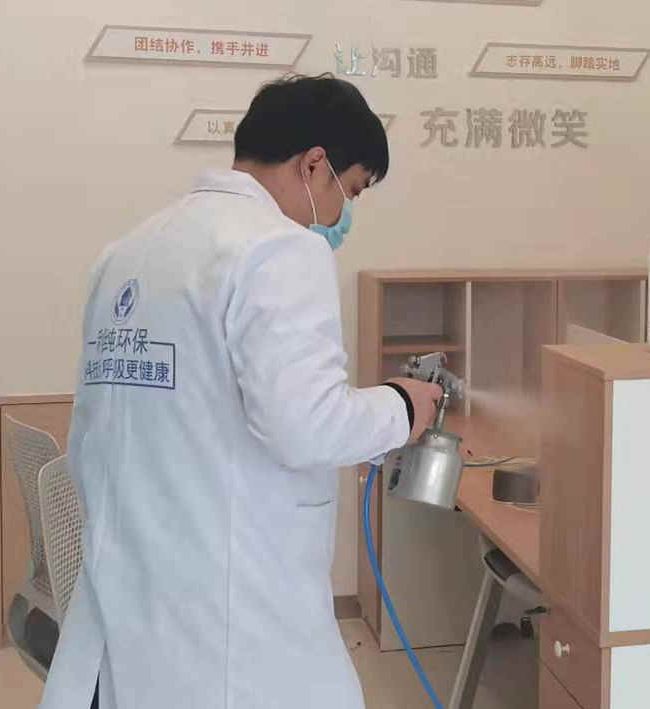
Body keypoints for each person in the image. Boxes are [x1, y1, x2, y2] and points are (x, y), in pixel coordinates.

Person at [38, 75, 444, 709]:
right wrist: (401, 405)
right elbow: (306, 425)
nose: (343, 215)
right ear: (315, 165)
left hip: (126, 611)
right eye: (351, 190)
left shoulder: (127, 253)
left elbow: (96, 433)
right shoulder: (281, 250)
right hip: (230, 631)